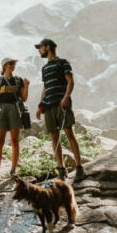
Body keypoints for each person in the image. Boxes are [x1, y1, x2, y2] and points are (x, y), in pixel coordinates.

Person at [34, 38, 86, 183]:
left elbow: (70, 81)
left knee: (69, 133)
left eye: (41, 47)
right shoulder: (44, 68)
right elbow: (45, 87)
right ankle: (61, 170)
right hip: (49, 105)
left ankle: (79, 167)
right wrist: (40, 105)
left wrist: (66, 97)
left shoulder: (63, 62)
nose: (39, 50)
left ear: (48, 47)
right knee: (54, 137)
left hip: (61, 103)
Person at [0, 57, 30, 182]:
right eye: (11, 64)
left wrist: (27, 86)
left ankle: (13, 170)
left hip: (15, 109)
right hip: (1, 110)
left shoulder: (18, 80)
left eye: (14, 64)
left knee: (14, 140)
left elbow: (24, 98)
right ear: (5, 66)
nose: (13, 66)